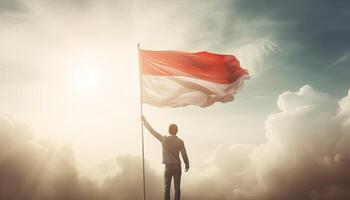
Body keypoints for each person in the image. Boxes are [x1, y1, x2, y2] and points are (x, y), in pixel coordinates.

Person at [142, 115, 189, 200]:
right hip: (177, 166)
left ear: (169, 131)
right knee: (177, 188)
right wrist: (187, 163)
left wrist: (144, 122)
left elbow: (152, 131)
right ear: (177, 131)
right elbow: (184, 154)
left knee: (166, 188)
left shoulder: (164, 140)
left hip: (168, 167)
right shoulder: (180, 141)